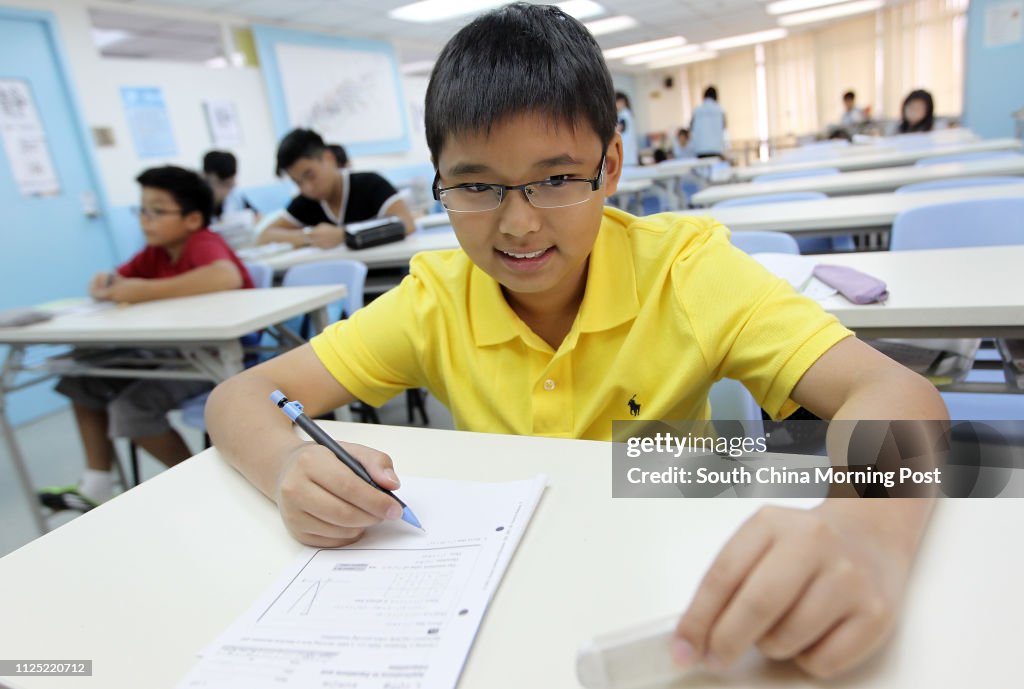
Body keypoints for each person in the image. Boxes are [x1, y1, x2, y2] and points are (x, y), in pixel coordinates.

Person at [206, 3, 946, 680]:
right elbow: (239, 396)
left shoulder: (685, 270)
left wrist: (868, 525)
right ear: (440, 182)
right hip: (503, 601)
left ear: (611, 167)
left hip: (669, 572)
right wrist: (287, 464)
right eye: (476, 186)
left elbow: (893, 390)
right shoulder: (435, 298)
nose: (519, 222)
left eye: (557, 177)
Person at [39, 166, 253, 511]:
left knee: (131, 408)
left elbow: (225, 276)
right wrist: (106, 282)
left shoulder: (204, 243)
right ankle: (97, 484)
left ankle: (203, 488)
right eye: (141, 210)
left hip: (213, 356)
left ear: (193, 219)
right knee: (82, 382)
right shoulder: (155, 251)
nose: (145, 220)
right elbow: (121, 278)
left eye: (156, 211)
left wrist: (145, 290)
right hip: (169, 353)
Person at [257, 129, 415, 248]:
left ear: (329, 158)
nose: (307, 188)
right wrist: (309, 236)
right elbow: (265, 236)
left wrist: (344, 235)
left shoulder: (370, 184)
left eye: (310, 175)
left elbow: (406, 223)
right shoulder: (305, 202)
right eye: (297, 182)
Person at [202, 150, 258, 222]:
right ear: (205, 178)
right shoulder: (198, 203)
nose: (224, 192)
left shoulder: (235, 195)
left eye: (229, 185)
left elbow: (257, 216)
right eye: (220, 184)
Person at [689, 86, 726, 158]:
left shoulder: (697, 110)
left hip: (700, 149)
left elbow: (691, 127)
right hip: (716, 148)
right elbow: (724, 126)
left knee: (702, 168)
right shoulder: (720, 109)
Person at [615, 91, 639, 166]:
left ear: (622, 102)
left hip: (627, 158)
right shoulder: (627, 114)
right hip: (629, 157)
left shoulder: (624, 114)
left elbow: (618, 128)